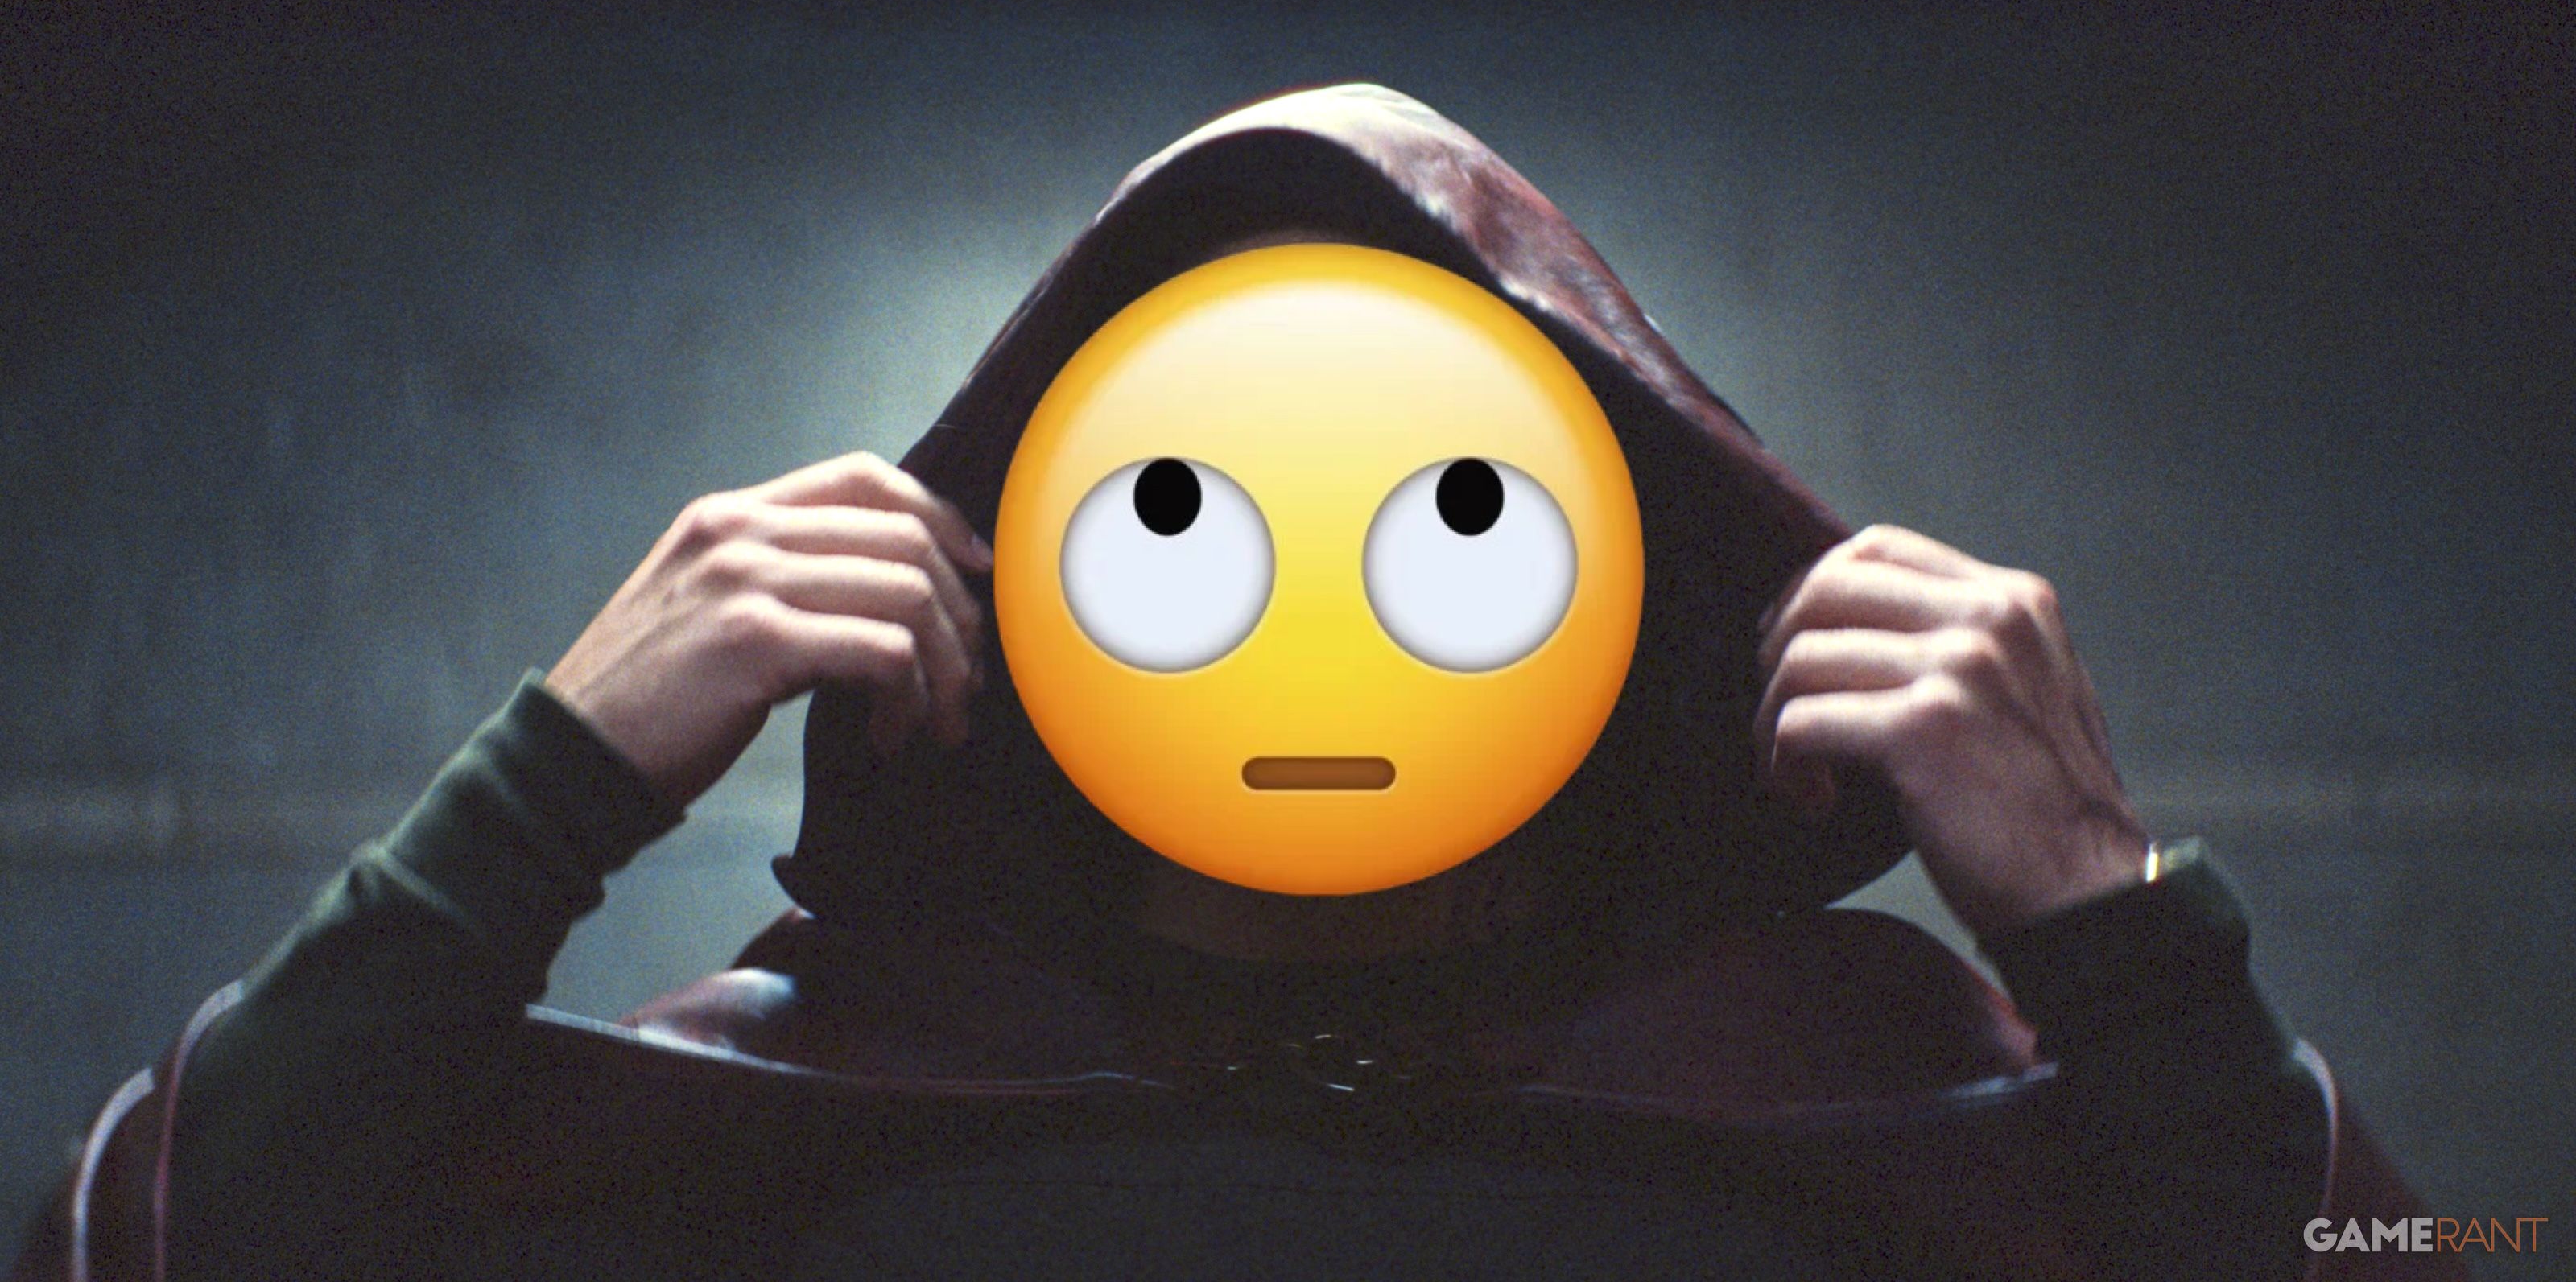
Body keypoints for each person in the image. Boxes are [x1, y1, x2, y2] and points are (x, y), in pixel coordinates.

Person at [14, 85, 2445, 1282]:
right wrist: (544, 787)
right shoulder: (803, 1088)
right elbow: (146, 1240)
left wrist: (2115, 928)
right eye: (1188, 526)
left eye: (1450, 528)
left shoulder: (1869, 1077)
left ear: (1631, 579)